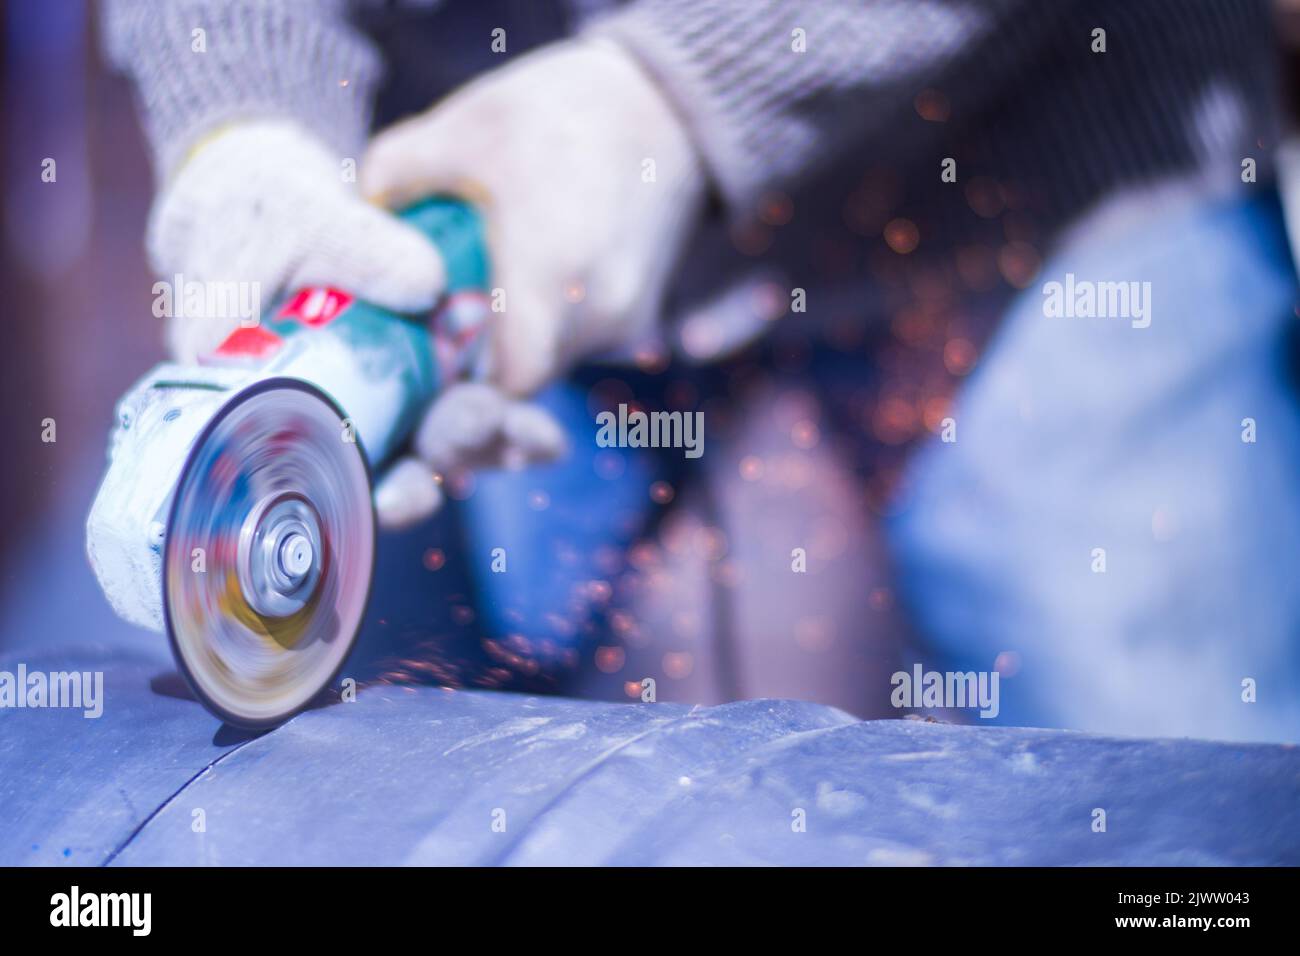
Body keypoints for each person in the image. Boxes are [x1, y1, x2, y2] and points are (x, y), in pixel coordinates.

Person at [102, 0, 1300, 741]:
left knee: (1171, 792)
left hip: (1043, 180)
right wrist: (243, 111)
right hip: (508, 200)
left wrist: (671, 97)